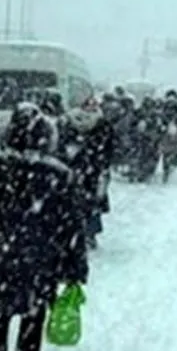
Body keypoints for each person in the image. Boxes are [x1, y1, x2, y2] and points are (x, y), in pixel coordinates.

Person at [0, 103, 88, 351]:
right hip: (41, 255)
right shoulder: (59, 174)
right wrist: (75, 267)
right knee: (33, 308)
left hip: (1, 251)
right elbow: (72, 224)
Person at [57, 96, 115, 249]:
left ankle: (75, 233)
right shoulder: (102, 123)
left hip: (75, 168)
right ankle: (89, 234)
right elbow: (109, 147)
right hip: (92, 169)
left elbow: (61, 144)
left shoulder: (69, 121)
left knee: (72, 201)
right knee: (91, 203)